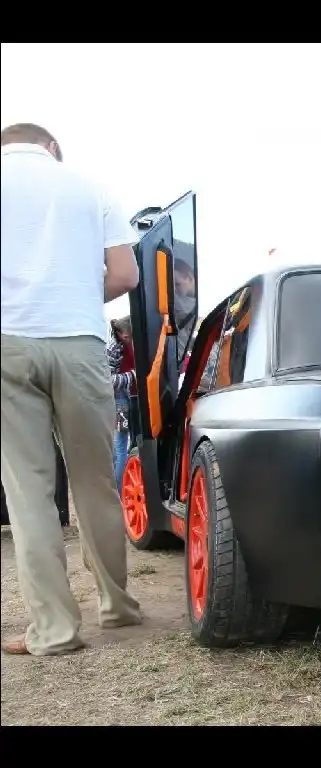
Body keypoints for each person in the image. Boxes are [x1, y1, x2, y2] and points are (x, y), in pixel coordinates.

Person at [1, 122, 143, 656]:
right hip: (80, 342)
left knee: (30, 493)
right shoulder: (92, 186)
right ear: (51, 147)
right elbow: (125, 275)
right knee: (95, 483)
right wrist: (75, 294)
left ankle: (56, 630)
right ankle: (118, 606)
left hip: (8, 343)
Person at [107, 316, 137, 492]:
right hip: (120, 400)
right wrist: (132, 376)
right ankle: (119, 493)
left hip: (133, 397)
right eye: (126, 336)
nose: (128, 339)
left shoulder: (132, 342)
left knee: (126, 445)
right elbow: (108, 380)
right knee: (120, 447)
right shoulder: (113, 349)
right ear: (120, 333)